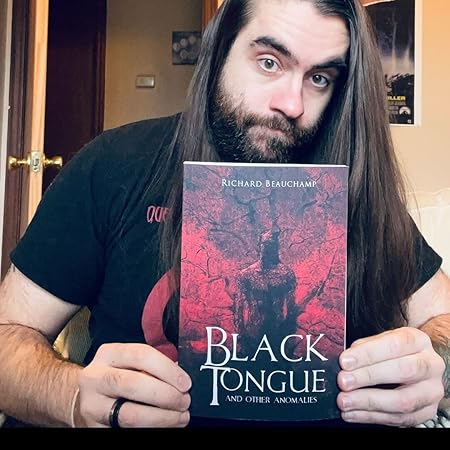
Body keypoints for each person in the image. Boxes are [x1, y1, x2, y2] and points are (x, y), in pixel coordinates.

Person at [0, 0, 449, 429]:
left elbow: (443, 322)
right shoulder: (115, 166)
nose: (292, 104)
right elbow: (8, 334)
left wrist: (434, 365)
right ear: (219, 50)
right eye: (269, 62)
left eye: (319, 78)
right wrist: (72, 397)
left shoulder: (350, 184)